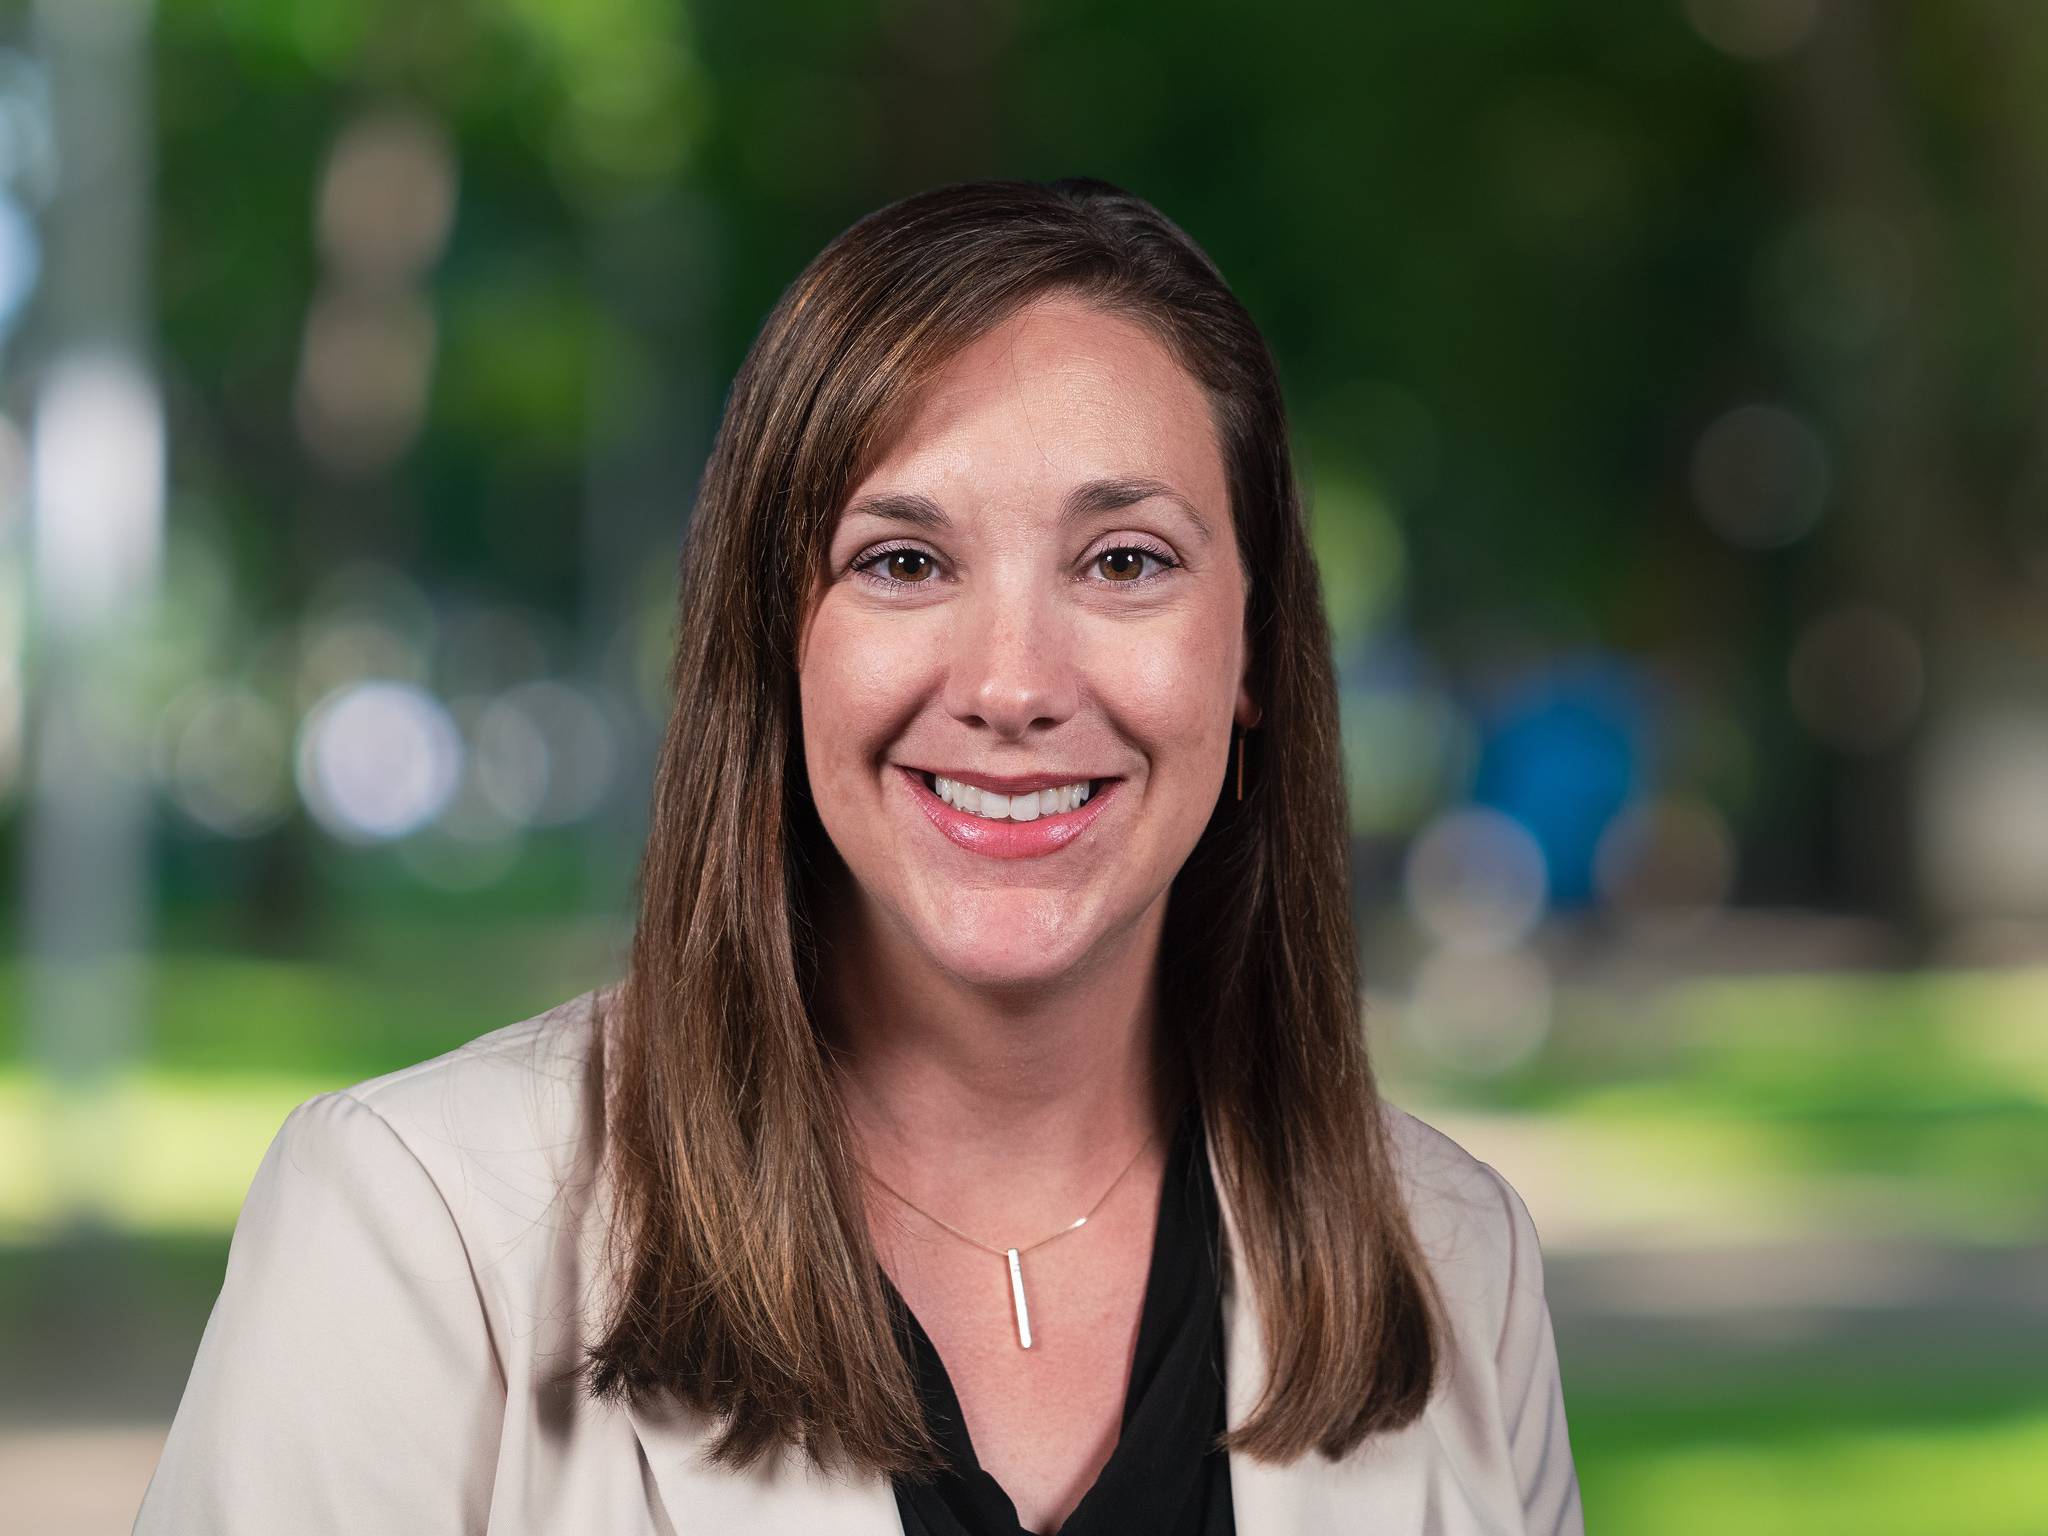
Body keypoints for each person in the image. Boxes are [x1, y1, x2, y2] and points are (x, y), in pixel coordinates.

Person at [133, 177, 1584, 1535]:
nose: (1012, 684)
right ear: (779, 641)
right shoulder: (415, 1229)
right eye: (903, 562)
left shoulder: (1457, 1263)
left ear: (1255, 648)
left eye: (1125, 561)